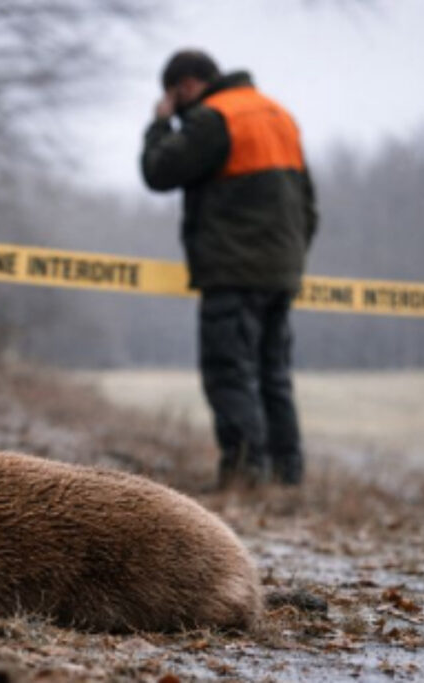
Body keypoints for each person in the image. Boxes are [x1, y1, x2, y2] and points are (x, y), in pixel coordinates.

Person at [140, 50, 317, 488]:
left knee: (229, 372)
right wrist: (290, 259)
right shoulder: (279, 115)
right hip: (281, 271)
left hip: (234, 272)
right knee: (273, 374)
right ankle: (286, 474)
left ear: (183, 87)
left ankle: (245, 475)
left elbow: (160, 171)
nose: (175, 107)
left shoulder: (214, 118)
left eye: (174, 98)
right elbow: (307, 203)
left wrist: (160, 124)